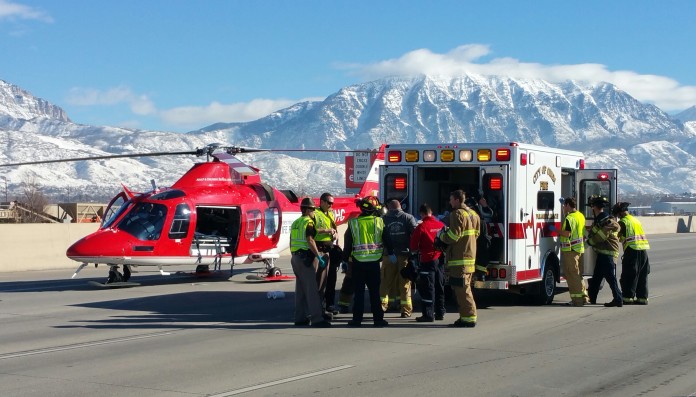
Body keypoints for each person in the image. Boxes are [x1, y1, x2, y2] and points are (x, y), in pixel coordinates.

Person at [342, 196, 390, 327]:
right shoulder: (379, 222)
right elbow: (387, 239)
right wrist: (391, 253)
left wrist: (345, 260)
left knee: (359, 293)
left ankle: (357, 320)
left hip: (358, 263)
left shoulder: (353, 224)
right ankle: (378, 320)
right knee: (375, 293)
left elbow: (347, 245)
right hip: (374, 263)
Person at [439, 190, 480, 327]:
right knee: (464, 288)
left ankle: (468, 318)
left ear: (457, 200)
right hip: (469, 258)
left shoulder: (456, 214)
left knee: (462, 290)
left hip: (459, 259)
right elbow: (477, 234)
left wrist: (441, 236)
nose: (450, 202)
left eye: (451, 199)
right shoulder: (474, 214)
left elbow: (453, 236)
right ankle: (465, 317)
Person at [289, 197, 330, 328]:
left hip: (295, 258)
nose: (314, 212)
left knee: (300, 289)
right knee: (312, 289)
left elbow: (291, 241)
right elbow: (310, 240)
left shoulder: (296, 222)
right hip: (305, 258)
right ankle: (317, 319)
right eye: (312, 210)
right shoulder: (309, 222)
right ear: (307, 210)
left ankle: (300, 318)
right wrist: (318, 256)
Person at [379, 199, 418, 318]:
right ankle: (405, 310)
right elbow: (415, 234)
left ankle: (381, 307)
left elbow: (379, 236)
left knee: (385, 282)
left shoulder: (383, 219)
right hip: (404, 255)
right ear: (400, 207)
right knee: (405, 284)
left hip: (388, 256)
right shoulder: (408, 218)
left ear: (389, 208)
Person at [410, 203, 446, 322]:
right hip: (440, 260)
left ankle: (428, 314)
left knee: (428, 288)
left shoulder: (421, 227)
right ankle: (440, 312)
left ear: (422, 214)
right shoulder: (441, 225)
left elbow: (413, 246)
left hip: (427, 260)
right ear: (431, 212)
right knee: (439, 286)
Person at [586, 197, 623, 307]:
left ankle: (618, 298)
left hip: (608, 254)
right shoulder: (599, 219)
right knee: (596, 278)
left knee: (610, 278)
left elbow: (601, 236)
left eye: (592, 206)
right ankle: (591, 298)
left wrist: (588, 243)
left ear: (594, 207)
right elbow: (593, 231)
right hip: (602, 253)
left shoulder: (606, 220)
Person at [612, 202, 651, 305]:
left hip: (632, 250)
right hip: (643, 250)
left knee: (629, 274)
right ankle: (642, 298)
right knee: (642, 275)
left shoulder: (623, 222)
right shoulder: (635, 220)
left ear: (620, 213)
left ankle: (627, 297)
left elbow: (615, 236)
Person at [314, 192, 343, 315]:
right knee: (320, 281)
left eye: (332, 203)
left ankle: (330, 305)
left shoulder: (330, 214)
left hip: (330, 248)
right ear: (322, 202)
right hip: (320, 249)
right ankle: (318, 306)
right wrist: (326, 230)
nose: (331, 205)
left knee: (332, 279)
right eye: (329, 203)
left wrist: (335, 234)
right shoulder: (315, 214)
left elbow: (335, 229)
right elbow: (312, 230)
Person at [559, 197, 589, 307]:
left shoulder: (569, 218)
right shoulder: (580, 215)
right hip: (578, 249)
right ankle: (584, 297)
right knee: (578, 274)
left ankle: (577, 300)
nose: (563, 207)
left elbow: (567, 234)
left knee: (572, 275)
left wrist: (555, 230)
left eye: (564, 205)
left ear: (567, 205)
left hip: (570, 250)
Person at [465, 195, 491, 282]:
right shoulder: (480, 220)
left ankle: (480, 274)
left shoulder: (464, 216)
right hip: (478, 255)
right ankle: (481, 274)